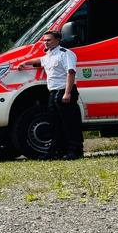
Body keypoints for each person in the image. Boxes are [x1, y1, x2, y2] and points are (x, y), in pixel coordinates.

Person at [18, 30, 84, 160]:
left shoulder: (65, 54)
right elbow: (39, 60)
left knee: (70, 123)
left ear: (58, 40)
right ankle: (58, 151)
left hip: (64, 91)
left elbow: (71, 73)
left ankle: (76, 151)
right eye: (44, 40)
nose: (45, 42)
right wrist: (24, 63)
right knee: (55, 123)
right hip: (53, 92)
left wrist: (67, 93)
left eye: (48, 40)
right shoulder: (48, 55)